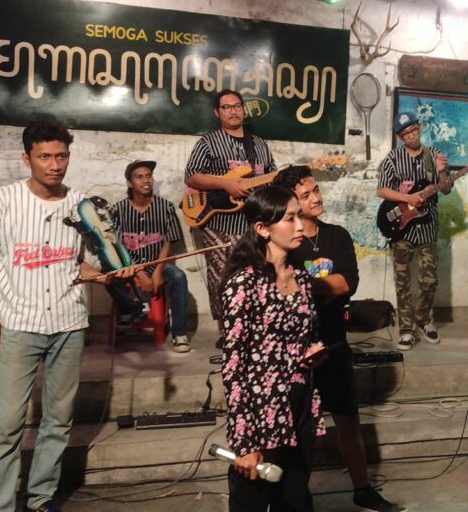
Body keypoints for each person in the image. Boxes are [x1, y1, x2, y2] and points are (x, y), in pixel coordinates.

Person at [0, 120, 135, 512]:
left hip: (69, 325)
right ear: (27, 159)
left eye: (61, 156)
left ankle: (41, 497)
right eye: (44, 156)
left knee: (58, 421)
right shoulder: (1, 202)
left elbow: (84, 265)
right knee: (8, 425)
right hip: (20, 325)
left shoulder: (82, 206)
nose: (54, 165)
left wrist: (111, 272)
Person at [274, 166, 405, 512]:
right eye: (305, 195)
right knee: (297, 426)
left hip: (333, 342)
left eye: (315, 190)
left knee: (348, 419)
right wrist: (321, 288)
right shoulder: (285, 241)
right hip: (297, 352)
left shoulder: (337, 236)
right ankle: (296, 495)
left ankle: (362, 489)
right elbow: (282, 288)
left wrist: (302, 286)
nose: (316, 198)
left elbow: (348, 283)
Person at [220, 185, 326, 512]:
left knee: (294, 499)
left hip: (300, 404)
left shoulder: (303, 279)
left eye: (299, 217)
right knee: (251, 502)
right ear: (263, 229)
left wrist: (312, 353)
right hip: (261, 412)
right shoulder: (244, 284)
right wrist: (244, 441)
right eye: (290, 219)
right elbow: (233, 366)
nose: (300, 225)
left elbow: (309, 335)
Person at [185, 89, 276, 327]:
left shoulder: (259, 145)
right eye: (226, 107)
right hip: (218, 223)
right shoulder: (208, 142)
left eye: (237, 106)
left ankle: (252, 326)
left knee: (253, 277)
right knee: (220, 278)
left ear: (243, 109)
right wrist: (226, 184)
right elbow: (192, 176)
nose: (233, 111)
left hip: (252, 224)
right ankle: (227, 330)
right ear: (217, 112)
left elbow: (271, 176)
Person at [377, 111, 453, 351]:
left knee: (429, 280)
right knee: (402, 281)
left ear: (420, 128)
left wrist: (442, 171)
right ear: (400, 137)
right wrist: (408, 198)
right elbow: (382, 190)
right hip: (401, 228)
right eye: (405, 133)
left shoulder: (433, 154)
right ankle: (406, 330)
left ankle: (423, 321)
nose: (410, 135)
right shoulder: (392, 158)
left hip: (428, 227)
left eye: (413, 130)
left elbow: (446, 189)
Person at [108, 159, 191, 352]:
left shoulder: (166, 207)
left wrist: (158, 271)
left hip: (158, 262)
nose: (146, 180)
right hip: (129, 263)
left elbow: (168, 241)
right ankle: (129, 311)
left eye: (149, 176)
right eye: (139, 177)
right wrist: (139, 272)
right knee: (109, 275)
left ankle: (179, 334)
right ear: (129, 183)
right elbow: (116, 245)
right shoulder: (118, 209)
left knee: (179, 277)